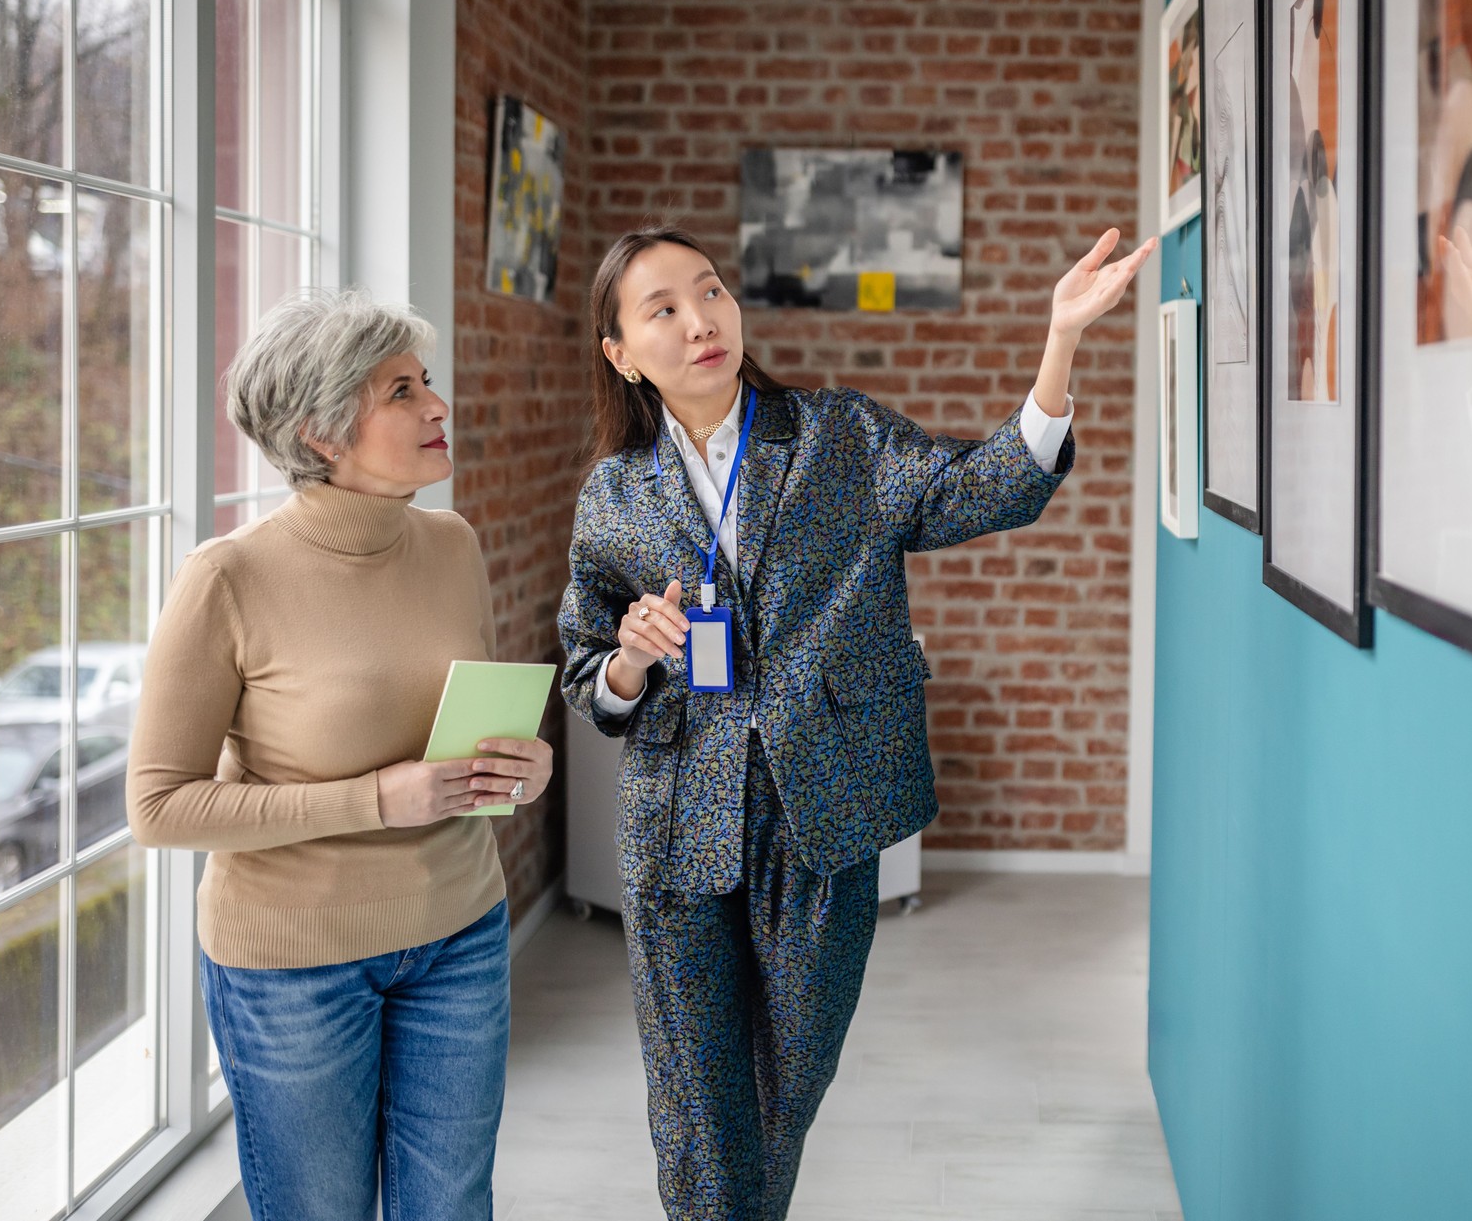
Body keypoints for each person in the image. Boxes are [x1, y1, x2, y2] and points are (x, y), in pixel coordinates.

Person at [558, 222, 1156, 1220]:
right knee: (697, 1097)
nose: (701, 320)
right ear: (620, 354)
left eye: (710, 292)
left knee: (789, 1074)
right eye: (662, 309)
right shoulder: (611, 498)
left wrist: (1060, 344)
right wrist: (630, 655)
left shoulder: (840, 435)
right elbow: (588, 680)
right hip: (676, 821)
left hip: (824, 808)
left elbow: (981, 490)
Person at [125, 290, 554, 1221]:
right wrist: (373, 801)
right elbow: (160, 806)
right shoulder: (226, 578)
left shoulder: (452, 543)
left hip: (460, 932)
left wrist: (524, 767)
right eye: (402, 390)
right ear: (320, 431)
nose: (438, 406)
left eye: (427, 381)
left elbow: (459, 737)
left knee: (451, 1208)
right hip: (293, 967)